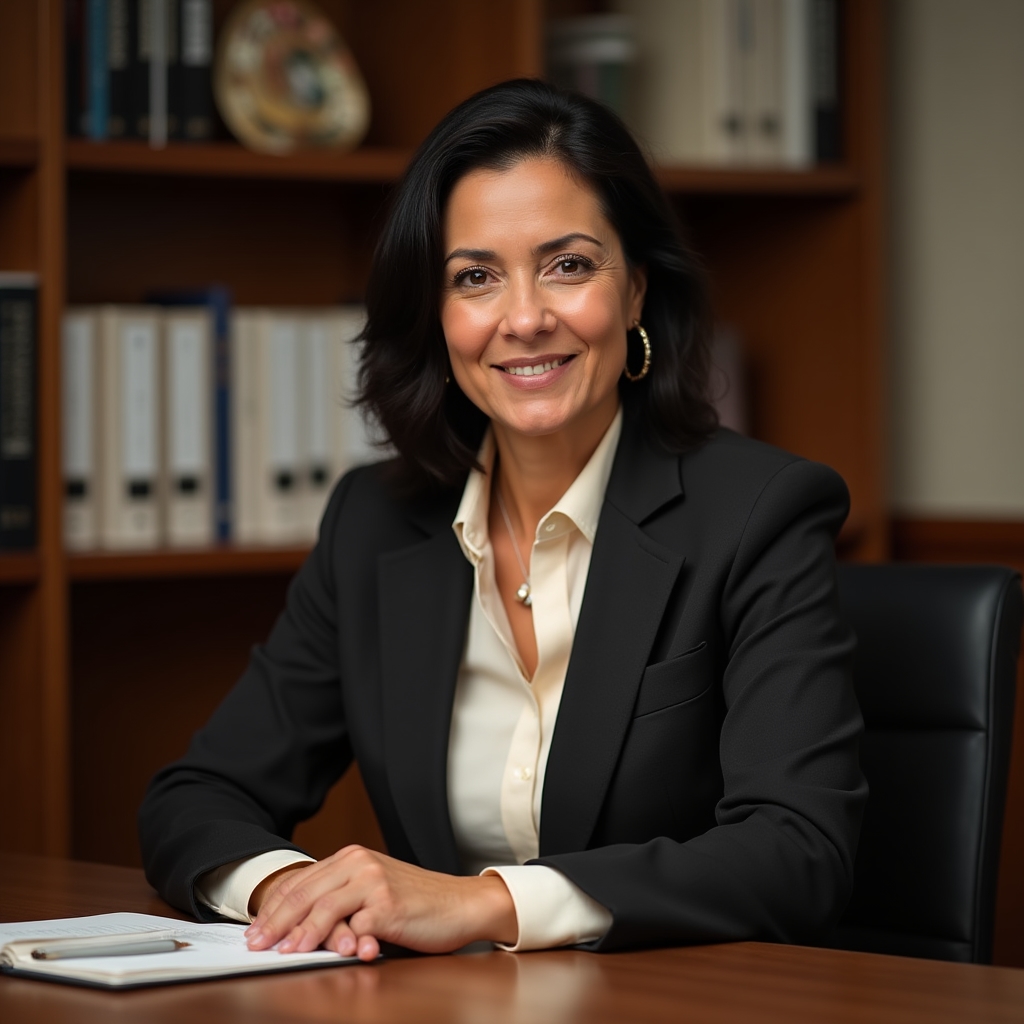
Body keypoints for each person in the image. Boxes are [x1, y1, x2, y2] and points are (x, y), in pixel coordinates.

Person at [139, 79, 867, 962]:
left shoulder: (758, 513)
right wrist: (295, 891)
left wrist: (483, 904)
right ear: (437, 318)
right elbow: (197, 796)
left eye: (569, 265)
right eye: (475, 277)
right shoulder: (374, 523)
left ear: (636, 290)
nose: (524, 318)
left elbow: (797, 851)